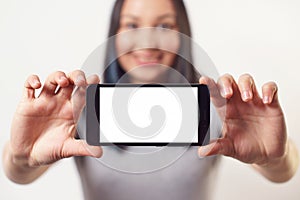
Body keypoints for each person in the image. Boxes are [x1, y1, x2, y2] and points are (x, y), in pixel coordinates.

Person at [2, 0, 299, 199]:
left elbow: (284, 169)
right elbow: (18, 173)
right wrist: (21, 155)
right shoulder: (77, 107)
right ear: (115, 33)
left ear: (182, 34)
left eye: (164, 26)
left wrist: (274, 156)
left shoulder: (219, 104)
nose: (147, 41)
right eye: (132, 26)